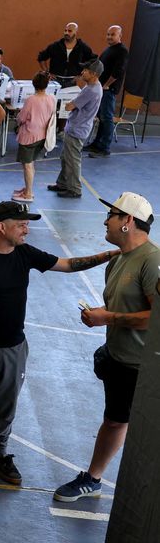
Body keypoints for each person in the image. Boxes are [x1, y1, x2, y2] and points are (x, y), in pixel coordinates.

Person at [0, 201, 122, 484]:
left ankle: (0, 455)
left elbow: (66, 265)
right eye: (21, 224)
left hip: (15, 348)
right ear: (1, 227)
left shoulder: (25, 254)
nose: (26, 229)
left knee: (7, 406)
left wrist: (110, 254)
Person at [54, 193, 159, 502]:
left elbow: (155, 317)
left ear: (127, 221)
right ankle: (94, 477)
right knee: (115, 419)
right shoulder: (119, 259)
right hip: (119, 356)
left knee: (120, 422)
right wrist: (100, 314)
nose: (105, 220)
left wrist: (107, 318)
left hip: (139, 365)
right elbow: (123, 305)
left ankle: (98, 479)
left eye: (112, 214)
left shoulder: (151, 261)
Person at [48, 59, 102, 200]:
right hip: (77, 127)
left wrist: (68, 103)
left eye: (86, 71)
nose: (82, 72)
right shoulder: (93, 86)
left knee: (72, 160)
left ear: (94, 74)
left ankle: (75, 189)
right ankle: (63, 183)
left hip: (77, 129)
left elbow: (69, 106)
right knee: (66, 158)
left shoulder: (90, 90)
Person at [12, 72, 56, 203]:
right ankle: (27, 189)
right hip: (43, 136)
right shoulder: (52, 98)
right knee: (31, 163)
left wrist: (17, 120)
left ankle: (29, 193)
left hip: (29, 136)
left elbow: (22, 117)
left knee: (27, 165)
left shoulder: (31, 99)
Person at [87, 25, 129, 158]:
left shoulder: (122, 51)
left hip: (108, 90)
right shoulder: (109, 49)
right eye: (108, 34)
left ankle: (105, 148)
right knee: (101, 118)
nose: (109, 37)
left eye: (113, 34)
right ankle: (96, 144)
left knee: (107, 118)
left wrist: (106, 85)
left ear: (120, 36)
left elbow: (119, 71)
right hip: (101, 89)